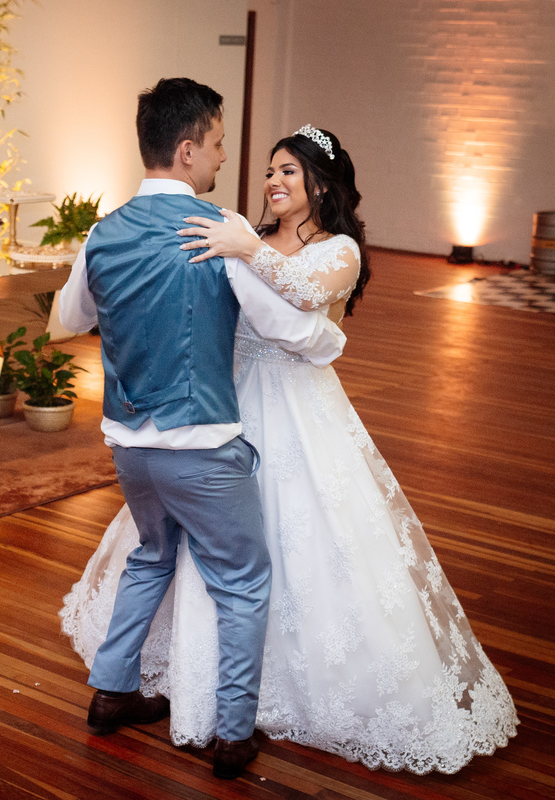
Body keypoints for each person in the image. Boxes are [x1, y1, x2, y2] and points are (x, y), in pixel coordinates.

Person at [60, 125, 519, 775]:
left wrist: (247, 250)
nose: (274, 182)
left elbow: (305, 297)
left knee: (292, 545)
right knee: (188, 550)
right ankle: (195, 686)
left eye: (290, 173)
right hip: (219, 407)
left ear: (321, 187)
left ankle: (264, 695)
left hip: (299, 412)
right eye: (271, 171)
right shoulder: (236, 236)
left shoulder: (339, 252)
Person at [56, 79, 347, 781]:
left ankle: (112, 691)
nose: (222, 159)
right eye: (217, 145)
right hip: (201, 447)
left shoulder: (103, 232)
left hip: (129, 448)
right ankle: (231, 733)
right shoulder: (212, 233)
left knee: (152, 557)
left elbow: (69, 319)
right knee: (242, 582)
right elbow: (282, 327)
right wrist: (329, 342)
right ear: (186, 150)